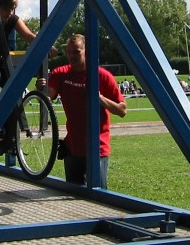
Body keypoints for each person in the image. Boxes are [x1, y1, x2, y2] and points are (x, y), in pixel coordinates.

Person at [42, 34, 127, 188]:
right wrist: (41, 88)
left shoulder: (103, 76)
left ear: (86, 51)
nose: (71, 56)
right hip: (72, 147)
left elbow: (122, 110)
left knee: (99, 195)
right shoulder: (61, 74)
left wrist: (100, 98)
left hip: (97, 148)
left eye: (76, 52)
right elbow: (49, 96)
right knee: (73, 195)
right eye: (69, 52)